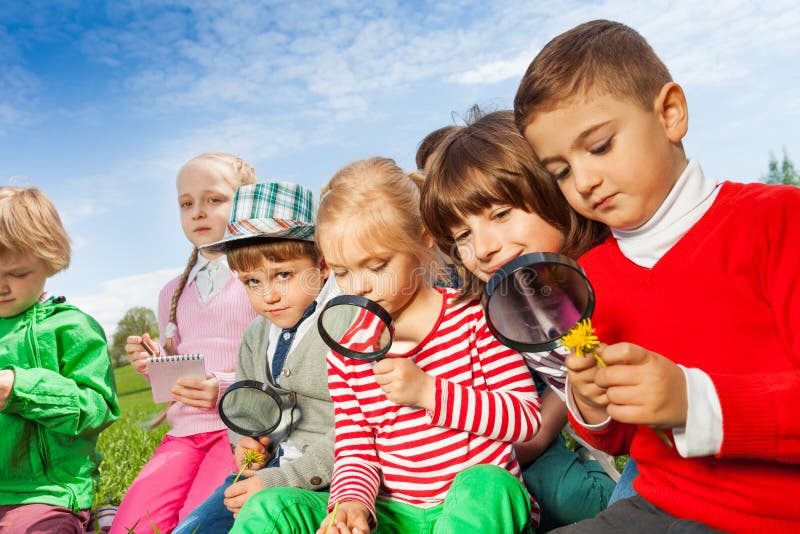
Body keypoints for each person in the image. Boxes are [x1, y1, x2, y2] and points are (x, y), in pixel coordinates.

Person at [514, 19, 800, 532]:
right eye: (559, 170)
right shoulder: (589, 277)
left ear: (670, 114)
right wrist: (591, 403)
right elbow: (622, 440)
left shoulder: (777, 220)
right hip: (652, 507)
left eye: (599, 146)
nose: (583, 181)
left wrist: (695, 402)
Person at [231, 157, 542, 534]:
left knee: (490, 486)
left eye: (376, 266)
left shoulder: (475, 317)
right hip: (395, 515)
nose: (358, 286)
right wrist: (352, 503)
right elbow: (355, 447)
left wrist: (429, 391)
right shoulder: (347, 349)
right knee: (270, 507)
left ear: (423, 240)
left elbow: (526, 419)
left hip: (471, 509)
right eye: (343, 272)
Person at [420, 109, 616, 531]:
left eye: (501, 213)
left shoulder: (611, 274)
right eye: (462, 236)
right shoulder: (515, 305)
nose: (484, 248)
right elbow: (574, 397)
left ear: (551, 187)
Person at [173, 181, 342, 533]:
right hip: (268, 472)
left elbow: (356, 426)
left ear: (322, 264)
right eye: (252, 282)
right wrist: (245, 446)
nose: (269, 295)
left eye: (283, 275)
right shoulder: (256, 335)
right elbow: (248, 411)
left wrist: (280, 478)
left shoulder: (342, 323)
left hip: (332, 478)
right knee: (192, 529)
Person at [111, 153, 259, 534]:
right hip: (184, 433)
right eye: (186, 203)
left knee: (195, 525)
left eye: (213, 200)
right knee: (134, 526)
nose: (197, 212)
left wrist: (221, 387)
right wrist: (153, 364)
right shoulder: (171, 293)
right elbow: (173, 383)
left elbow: (277, 362)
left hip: (239, 430)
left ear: (243, 202)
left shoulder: (259, 279)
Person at [0, 186, 119, 533]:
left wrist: (19, 389)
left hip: (46, 493)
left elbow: (98, 409)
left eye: (17, 274)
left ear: (48, 260)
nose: (1, 286)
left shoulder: (72, 327)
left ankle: (95, 518)